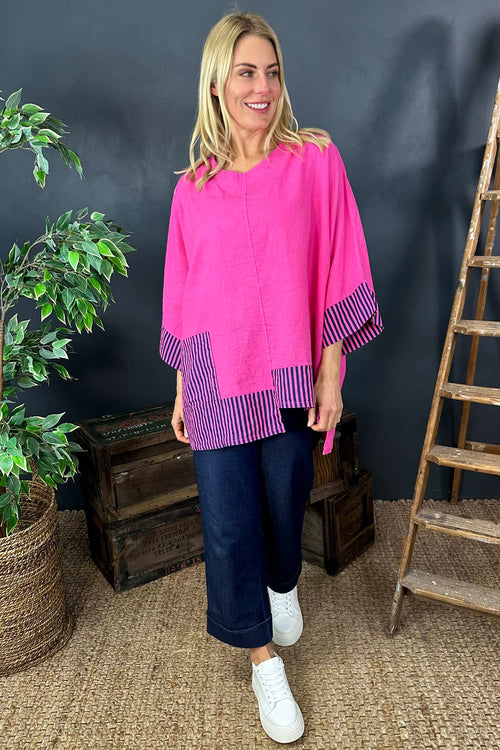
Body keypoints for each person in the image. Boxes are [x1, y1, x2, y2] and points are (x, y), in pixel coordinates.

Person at [159, 10, 384, 744]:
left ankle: (282, 581)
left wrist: (332, 367)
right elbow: (185, 294)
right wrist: (183, 386)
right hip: (216, 378)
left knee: (285, 503)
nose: (262, 87)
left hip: (290, 372)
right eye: (247, 72)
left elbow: (339, 259)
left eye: (272, 72)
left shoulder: (314, 160)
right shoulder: (193, 190)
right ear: (217, 83)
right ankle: (263, 663)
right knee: (228, 524)